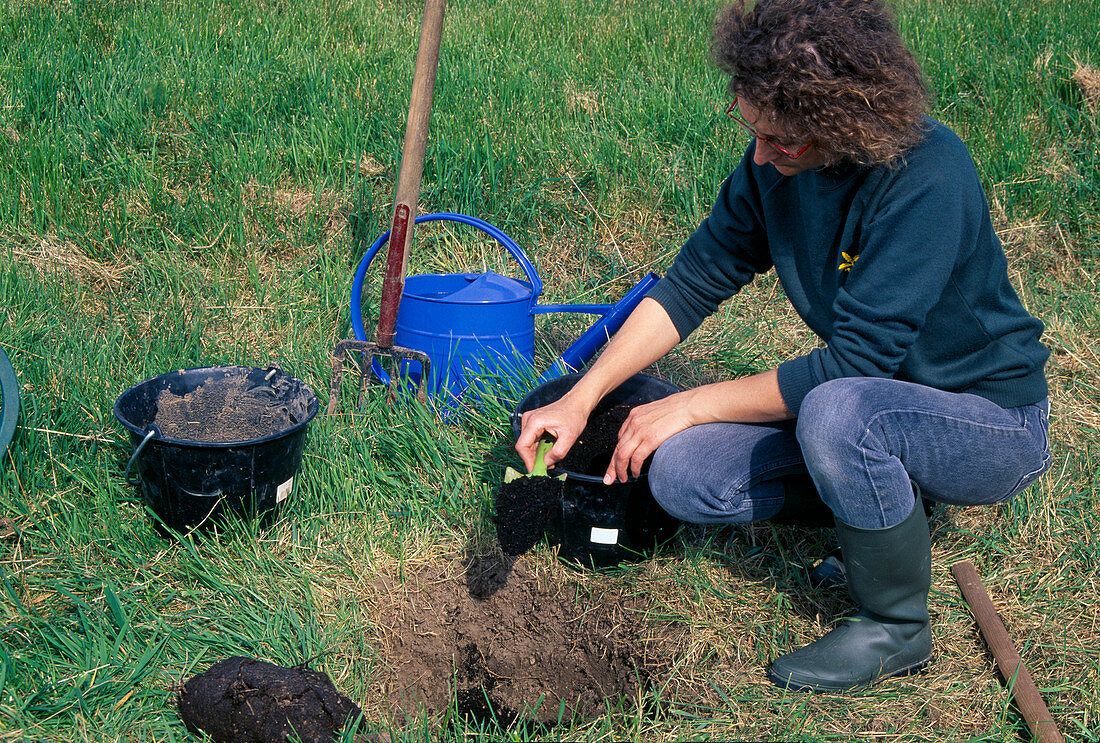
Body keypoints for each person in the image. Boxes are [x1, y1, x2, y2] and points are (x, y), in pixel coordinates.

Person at [515, 0, 1051, 693]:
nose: (763, 154)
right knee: (682, 476)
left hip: (988, 423)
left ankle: (896, 625)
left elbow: (857, 364)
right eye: (753, 130)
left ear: (843, 118)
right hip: (875, 403)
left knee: (838, 413)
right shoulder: (778, 165)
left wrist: (690, 402)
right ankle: (889, 497)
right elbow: (693, 281)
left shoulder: (926, 175)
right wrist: (580, 397)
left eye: (783, 140)